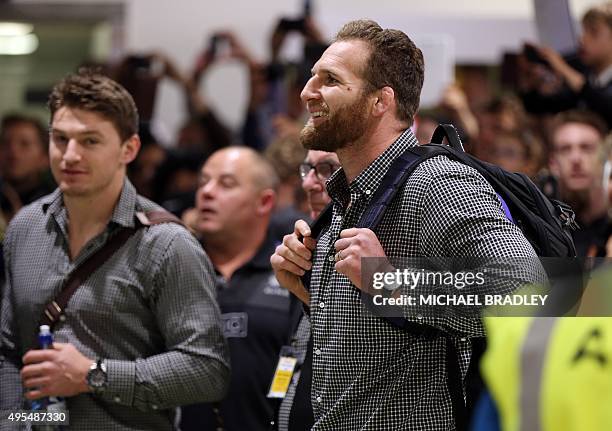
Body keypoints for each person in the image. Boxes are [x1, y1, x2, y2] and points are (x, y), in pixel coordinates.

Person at [270, 19, 543, 430]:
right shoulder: (346, 196)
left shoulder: (436, 183)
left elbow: (526, 294)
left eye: (329, 80)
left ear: (380, 101)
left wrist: (389, 282)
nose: (308, 92)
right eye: (312, 77)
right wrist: (309, 293)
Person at [0, 70, 230, 430]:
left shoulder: (167, 243)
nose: (70, 155)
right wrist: (12, 422)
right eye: (60, 139)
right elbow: (9, 352)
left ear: (129, 149)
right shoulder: (25, 228)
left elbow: (206, 369)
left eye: (90, 141)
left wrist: (93, 374)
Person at [180, 147, 294, 431]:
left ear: (264, 201)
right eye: (203, 182)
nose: (207, 192)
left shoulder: (290, 272)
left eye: (226, 184)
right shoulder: (177, 268)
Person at [274, 149, 339, 431]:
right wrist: (301, 292)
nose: (309, 183)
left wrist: (377, 276)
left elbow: (487, 295)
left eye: (327, 169)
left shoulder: (383, 246)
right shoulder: (307, 251)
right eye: (308, 169)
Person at [519, 2, 612, 127]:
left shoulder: (584, 82)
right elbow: (541, 106)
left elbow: (604, 103)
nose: (582, 39)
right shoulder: (589, 77)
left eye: (593, 33)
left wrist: (563, 68)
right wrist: (530, 81)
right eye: (583, 31)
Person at [548, 110, 610, 257]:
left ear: (606, 159)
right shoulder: (542, 234)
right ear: (553, 164)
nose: (575, 159)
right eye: (565, 149)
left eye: (587, 148)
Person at [0, 114, 56, 207]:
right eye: (5, 143)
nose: (13, 151)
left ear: (45, 158)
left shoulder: (55, 205)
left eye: (24, 144)